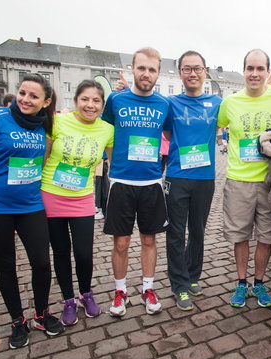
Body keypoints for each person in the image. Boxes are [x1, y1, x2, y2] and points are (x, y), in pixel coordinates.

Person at [0, 73, 64, 349]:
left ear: (45, 102)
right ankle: (18, 320)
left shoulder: (43, 126)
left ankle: (41, 313)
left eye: (33, 96)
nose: (25, 99)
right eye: (23, 93)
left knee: (41, 262)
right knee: (5, 265)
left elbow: (41, 163)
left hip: (30, 204)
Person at [102, 47, 170, 317]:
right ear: (132, 68)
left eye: (152, 69)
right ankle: (120, 292)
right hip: (120, 181)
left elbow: (171, 134)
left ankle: (147, 288)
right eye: (141, 68)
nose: (146, 73)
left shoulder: (164, 104)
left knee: (148, 240)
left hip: (151, 183)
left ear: (158, 73)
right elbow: (103, 132)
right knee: (120, 243)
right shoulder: (116, 100)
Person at [41, 80, 114, 325]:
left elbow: (116, 162)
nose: (90, 105)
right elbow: (43, 156)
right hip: (51, 194)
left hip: (82, 198)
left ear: (102, 105)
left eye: (96, 100)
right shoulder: (58, 122)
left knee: (84, 253)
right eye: (85, 99)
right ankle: (68, 300)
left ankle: (86, 294)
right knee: (61, 252)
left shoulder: (107, 130)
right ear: (75, 101)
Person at [217, 49, 271, 308]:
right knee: (240, 235)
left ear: (268, 72)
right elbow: (220, 124)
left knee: (267, 236)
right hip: (238, 179)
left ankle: (259, 281)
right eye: (250, 68)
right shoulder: (230, 103)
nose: (254, 74)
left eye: (260, 69)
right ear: (244, 70)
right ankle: (242, 282)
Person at [164, 51, 222, 310]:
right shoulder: (171, 104)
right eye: (187, 69)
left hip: (205, 178)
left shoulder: (217, 102)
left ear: (205, 71)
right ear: (180, 73)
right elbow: (166, 132)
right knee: (176, 232)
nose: (192, 73)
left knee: (197, 231)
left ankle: (192, 276)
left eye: (197, 68)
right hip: (177, 176)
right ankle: (178, 284)